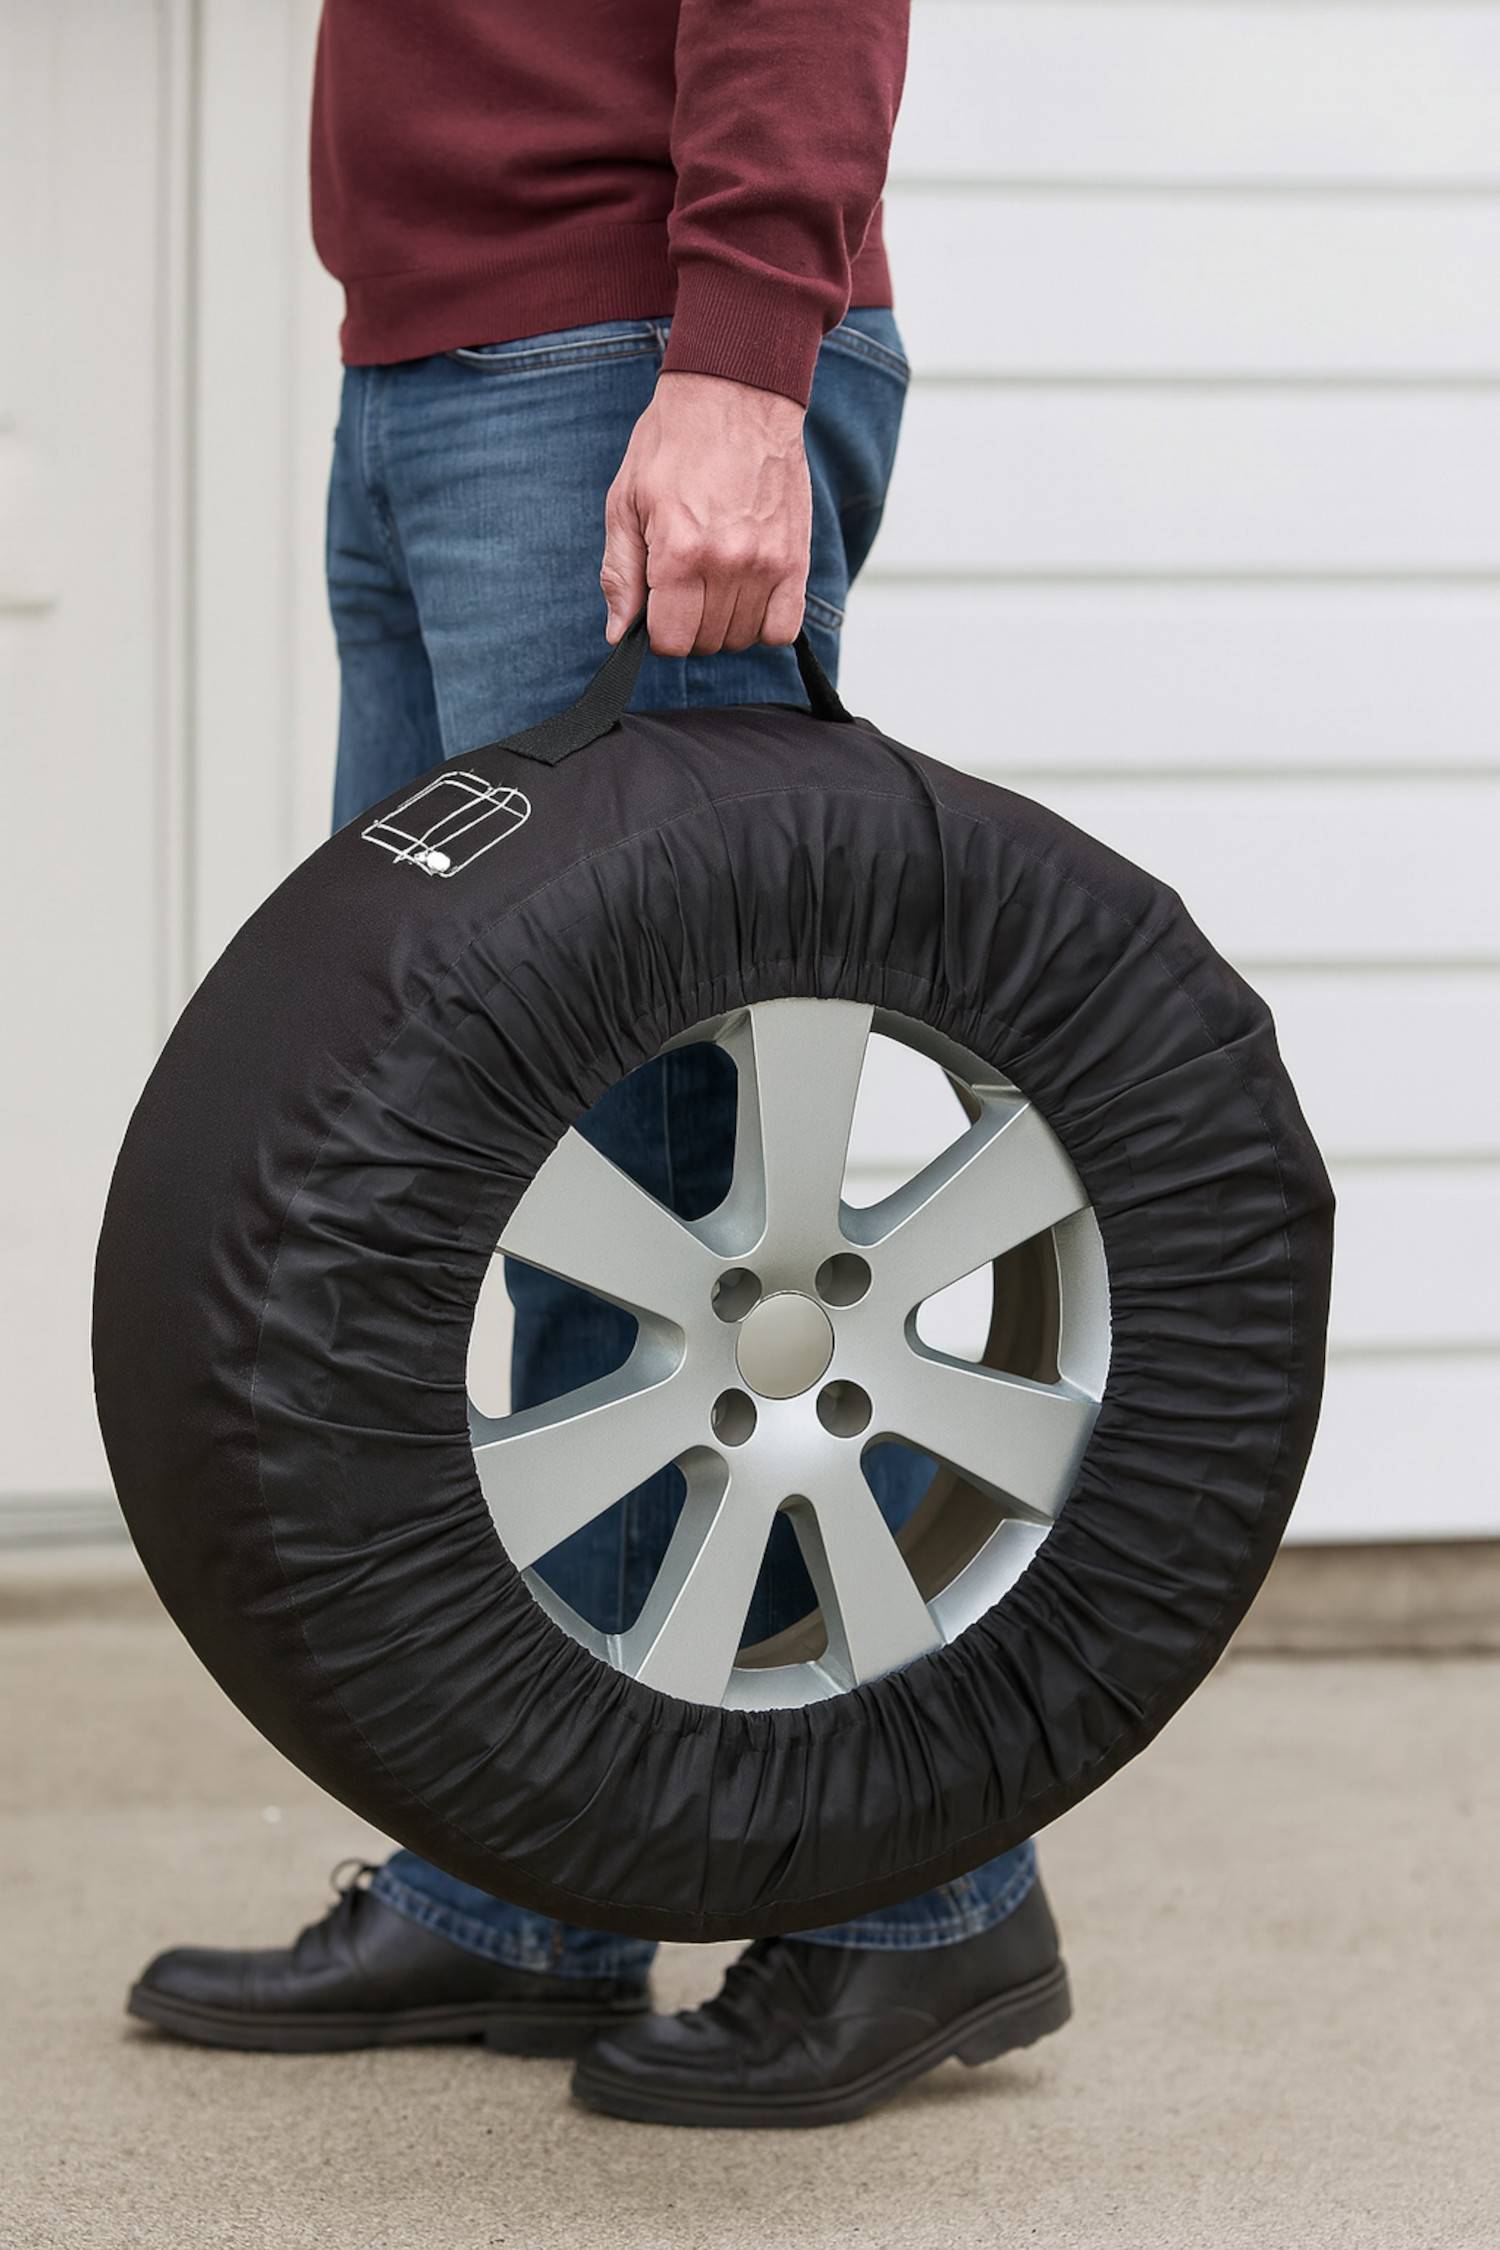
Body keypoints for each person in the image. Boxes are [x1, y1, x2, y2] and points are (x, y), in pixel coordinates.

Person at [127, 0, 1071, 2127]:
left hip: (620, 361)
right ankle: (538, 1875)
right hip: (440, 368)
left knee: (687, 1233)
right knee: (543, 1192)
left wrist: (740, 355)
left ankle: (934, 1888)